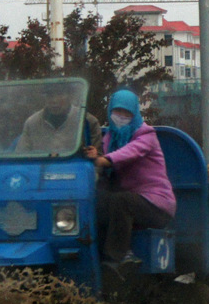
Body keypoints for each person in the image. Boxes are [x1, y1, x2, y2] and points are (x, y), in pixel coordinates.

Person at [83, 89, 176, 266]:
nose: (121, 116)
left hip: (157, 205)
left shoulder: (145, 134)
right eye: (117, 112)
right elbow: (103, 158)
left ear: (135, 114)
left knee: (122, 201)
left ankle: (118, 256)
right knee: (97, 201)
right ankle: (92, 252)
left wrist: (104, 159)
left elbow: (129, 153)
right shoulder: (109, 137)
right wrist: (96, 154)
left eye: (127, 112)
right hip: (132, 201)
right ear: (110, 112)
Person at [16, 82, 102, 153]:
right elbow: (20, 158)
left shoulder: (87, 121)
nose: (54, 100)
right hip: (39, 172)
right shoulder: (32, 123)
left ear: (70, 96)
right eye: (50, 95)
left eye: (60, 94)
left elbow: (97, 163)